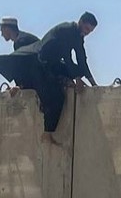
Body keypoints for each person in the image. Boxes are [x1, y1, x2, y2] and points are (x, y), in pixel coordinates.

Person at [35, 13, 99, 143]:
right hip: (45, 65)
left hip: (57, 63)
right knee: (58, 98)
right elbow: (67, 56)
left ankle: (66, 80)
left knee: (80, 69)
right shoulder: (67, 30)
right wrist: (76, 78)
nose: (87, 33)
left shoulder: (78, 36)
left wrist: (93, 84)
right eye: (87, 29)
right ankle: (47, 134)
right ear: (80, 22)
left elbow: (81, 59)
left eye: (90, 31)